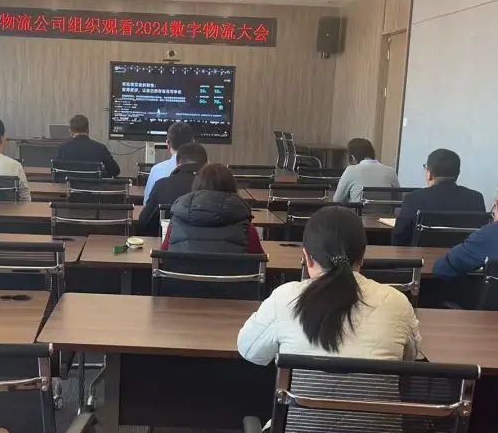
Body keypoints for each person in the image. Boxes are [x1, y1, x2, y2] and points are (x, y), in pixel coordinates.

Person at [237, 205, 421, 365]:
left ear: (307, 258)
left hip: (301, 397)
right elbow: (410, 358)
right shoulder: (397, 303)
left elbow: (250, 351)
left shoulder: (284, 299)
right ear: (362, 256)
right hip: (376, 398)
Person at [161, 163, 263, 254]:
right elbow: (260, 264)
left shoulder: (176, 225)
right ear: (232, 188)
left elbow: (162, 257)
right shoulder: (246, 230)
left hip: (181, 270)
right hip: (229, 269)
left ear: (196, 187)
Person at [391, 148, 486, 246]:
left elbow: (399, 238)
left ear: (429, 174)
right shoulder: (476, 198)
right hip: (463, 255)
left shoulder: (413, 198)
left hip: (421, 255)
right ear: (458, 173)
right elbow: (482, 237)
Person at [138, 142, 207, 236]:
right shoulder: (213, 186)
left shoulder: (161, 185)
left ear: (177, 164)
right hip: (207, 243)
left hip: (166, 242)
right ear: (207, 164)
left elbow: (144, 221)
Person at [333, 138, 400, 203]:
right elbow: (399, 198)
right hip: (386, 211)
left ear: (352, 157)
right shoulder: (391, 171)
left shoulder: (350, 170)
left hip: (357, 211)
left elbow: (337, 200)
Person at [143, 121, 195, 203]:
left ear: (168, 143)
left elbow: (146, 203)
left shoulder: (156, 170)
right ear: (193, 143)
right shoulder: (205, 173)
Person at [55, 114, 120, 177]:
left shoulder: (62, 148)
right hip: (94, 184)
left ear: (71, 131)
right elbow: (115, 170)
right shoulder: (100, 148)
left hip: (70, 184)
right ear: (88, 130)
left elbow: (56, 170)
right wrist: (100, 174)